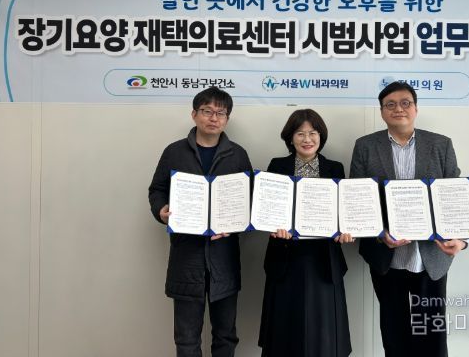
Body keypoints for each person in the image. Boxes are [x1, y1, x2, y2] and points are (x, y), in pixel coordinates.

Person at [350, 81, 467, 357]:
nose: (398, 109)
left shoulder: (440, 144)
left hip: (431, 255)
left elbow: (454, 196)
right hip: (387, 255)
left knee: (432, 335)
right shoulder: (365, 146)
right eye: (390, 104)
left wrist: (460, 240)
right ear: (382, 111)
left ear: (415, 108)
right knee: (394, 333)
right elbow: (358, 198)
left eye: (405, 103)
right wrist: (380, 233)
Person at [148, 87, 252, 357]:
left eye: (220, 113)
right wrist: (161, 210)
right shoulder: (174, 152)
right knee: (186, 339)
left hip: (224, 258)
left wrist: (235, 223)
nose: (213, 118)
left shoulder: (238, 155)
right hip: (187, 256)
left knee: (225, 336)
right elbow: (157, 189)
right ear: (194, 114)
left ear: (227, 119)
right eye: (207, 111)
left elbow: (249, 200)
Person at [258, 109, 352, 357]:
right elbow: (268, 208)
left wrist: (346, 231)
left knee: (324, 337)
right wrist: (273, 226)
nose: (307, 139)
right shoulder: (277, 166)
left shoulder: (334, 168)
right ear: (290, 138)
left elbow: (344, 212)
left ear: (321, 136)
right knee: (284, 335)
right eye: (300, 133)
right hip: (285, 258)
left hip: (324, 260)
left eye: (313, 133)